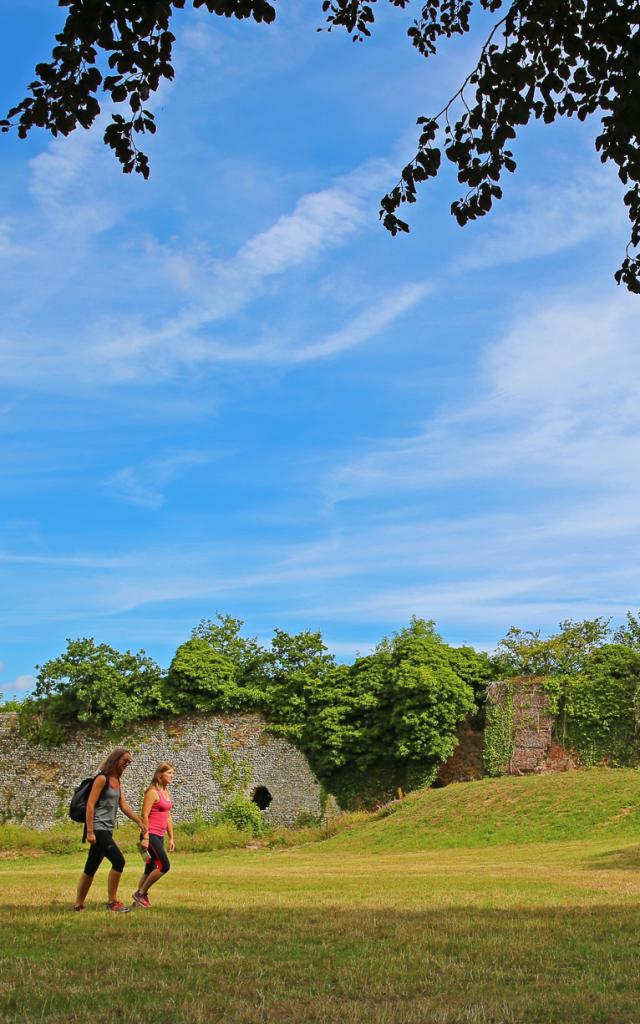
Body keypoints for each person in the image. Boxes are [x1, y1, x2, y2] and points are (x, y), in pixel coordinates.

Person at [73, 747, 146, 913]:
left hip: (107, 829)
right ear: (115, 760)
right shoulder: (102, 779)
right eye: (124, 761)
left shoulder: (117, 781)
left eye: (129, 762)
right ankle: (112, 902)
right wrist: (90, 831)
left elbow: (123, 805)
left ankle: (78, 904)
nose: (127, 764)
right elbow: (90, 805)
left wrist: (139, 822)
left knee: (90, 867)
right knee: (119, 861)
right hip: (98, 829)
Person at [132, 762, 175, 909]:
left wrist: (171, 838)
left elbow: (168, 816)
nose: (172, 776)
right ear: (159, 775)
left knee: (149, 868)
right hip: (149, 836)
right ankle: (141, 893)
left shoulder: (166, 792)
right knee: (164, 865)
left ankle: (138, 899)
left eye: (172, 773)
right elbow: (144, 815)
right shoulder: (152, 792)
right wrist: (145, 837)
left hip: (160, 836)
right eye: (169, 773)